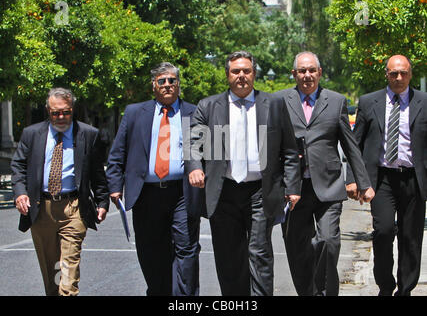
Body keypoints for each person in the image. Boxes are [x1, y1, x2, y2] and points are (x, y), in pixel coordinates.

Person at [187, 50, 301, 296]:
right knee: (228, 257)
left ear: (254, 74)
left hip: (260, 192)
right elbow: (193, 145)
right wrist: (196, 168)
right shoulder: (208, 106)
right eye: (236, 71)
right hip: (223, 192)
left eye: (246, 71)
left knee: (259, 252)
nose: (241, 76)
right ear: (227, 74)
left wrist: (292, 187)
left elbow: (290, 150)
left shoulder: (273, 105)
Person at [275, 51, 375, 296]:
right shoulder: (278, 100)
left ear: (319, 72)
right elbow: (269, 143)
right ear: (294, 74)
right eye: (302, 71)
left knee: (328, 241)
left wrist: (362, 182)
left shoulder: (336, 100)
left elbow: (350, 145)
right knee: (298, 248)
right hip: (292, 188)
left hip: (328, 187)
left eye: (312, 70)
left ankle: (324, 292)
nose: (307, 75)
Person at [106, 62, 201, 296]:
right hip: (146, 194)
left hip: (182, 193)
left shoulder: (195, 112)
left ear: (178, 85)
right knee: (150, 252)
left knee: (187, 250)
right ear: (154, 85)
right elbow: (118, 153)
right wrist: (115, 187)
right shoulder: (134, 113)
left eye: (172, 81)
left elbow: (205, 150)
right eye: (162, 81)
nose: (167, 85)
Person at [10, 87, 109, 296]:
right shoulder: (32, 134)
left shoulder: (88, 135)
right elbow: (18, 166)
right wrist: (20, 193)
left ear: (73, 109)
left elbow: (97, 172)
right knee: (52, 271)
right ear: (48, 110)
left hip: (73, 208)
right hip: (41, 208)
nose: (61, 117)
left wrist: (102, 202)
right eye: (56, 113)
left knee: (68, 271)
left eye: (65, 112)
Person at [346, 55, 427, 296]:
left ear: (410, 74)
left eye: (403, 73)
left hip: (414, 179)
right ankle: (385, 285)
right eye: (394, 73)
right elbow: (354, 144)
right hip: (381, 180)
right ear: (386, 74)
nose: (399, 78)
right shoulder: (370, 102)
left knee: (410, 237)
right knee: (382, 232)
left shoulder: (423, 102)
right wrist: (352, 178)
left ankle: (405, 289)